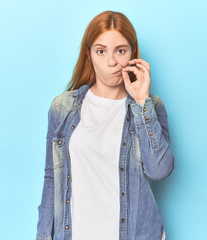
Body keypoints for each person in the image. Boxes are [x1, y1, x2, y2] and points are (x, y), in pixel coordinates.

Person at [36, 10, 174, 240]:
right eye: (101, 51)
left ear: (133, 53)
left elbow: (160, 171)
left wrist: (142, 103)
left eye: (120, 50)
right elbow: (52, 177)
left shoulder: (150, 107)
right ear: (89, 55)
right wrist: (43, 236)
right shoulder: (63, 108)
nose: (112, 61)